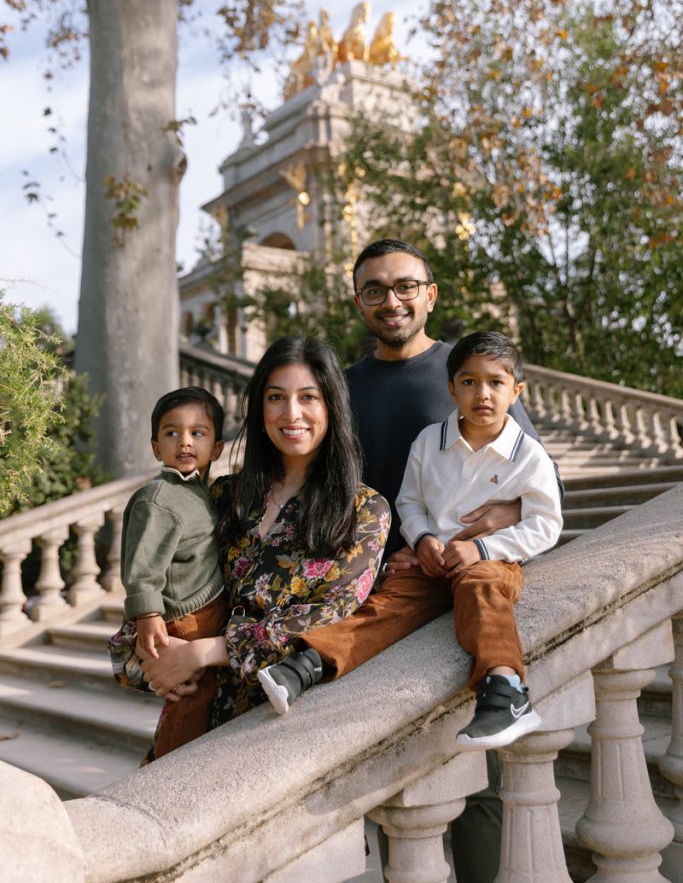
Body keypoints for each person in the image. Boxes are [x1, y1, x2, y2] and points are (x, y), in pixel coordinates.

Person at [258, 239, 562, 883]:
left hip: (462, 581)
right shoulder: (342, 386)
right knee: (374, 768)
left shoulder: (471, 368)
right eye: (374, 289)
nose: (390, 300)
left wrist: (489, 531)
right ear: (358, 299)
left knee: (474, 774)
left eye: (404, 286)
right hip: (375, 588)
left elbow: (531, 476)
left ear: (430, 293)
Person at [136, 336, 389, 753]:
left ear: (332, 407)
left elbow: (326, 617)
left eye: (308, 397)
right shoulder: (225, 496)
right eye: (276, 397)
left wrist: (207, 652)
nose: (292, 414)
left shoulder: (363, 511)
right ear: (259, 408)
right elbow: (160, 582)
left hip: (276, 728)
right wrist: (156, 657)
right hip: (194, 716)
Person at [396, 330, 562, 748]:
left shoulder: (527, 454)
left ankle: (507, 690)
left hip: (494, 559)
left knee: (483, 588)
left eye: (495, 382)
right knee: (391, 597)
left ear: (515, 391)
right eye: (469, 382)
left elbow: (546, 523)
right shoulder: (428, 442)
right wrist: (423, 539)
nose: (482, 393)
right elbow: (409, 502)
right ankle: (316, 660)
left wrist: (485, 548)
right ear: (452, 389)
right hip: (431, 560)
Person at [118, 386, 227, 759]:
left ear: (217, 448)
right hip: (184, 617)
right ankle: (171, 770)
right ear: (155, 447)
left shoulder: (197, 492)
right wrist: (148, 614)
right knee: (190, 699)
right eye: (172, 433)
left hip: (207, 610)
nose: (184, 441)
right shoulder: (157, 498)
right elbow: (143, 563)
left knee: (202, 696)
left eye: (198, 433)